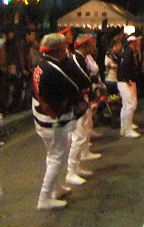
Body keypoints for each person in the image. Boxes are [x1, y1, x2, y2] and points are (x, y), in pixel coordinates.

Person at [32, 33, 85, 210]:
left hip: (43, 118)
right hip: (52, 120)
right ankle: (44, 197)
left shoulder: (42, 65)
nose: (67, 52)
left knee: (53, 154)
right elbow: (76, 87)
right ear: (56, 51)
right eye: (64, 48)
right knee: (57, 158)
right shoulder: (54, 70)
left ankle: (55, 188)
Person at [65, 33, 100, 186]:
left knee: (83, 133)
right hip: (76, 101)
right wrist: (92, 85)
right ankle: (71, 171)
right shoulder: (76, 59)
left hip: (81, 99)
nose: (94, 46)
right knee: (78, 136)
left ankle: (76, 167)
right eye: (92, 43)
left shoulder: (81, 59)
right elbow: (84, 80)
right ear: (84, 45)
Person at [118, 35, 141, 138]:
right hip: (126, 81)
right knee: (130, 105)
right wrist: (127, 79)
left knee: (127, 105)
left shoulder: (129, 50)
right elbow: (125, 66)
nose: (139, 42)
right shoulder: (129, 51)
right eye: (138, 40)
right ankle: (127, 130)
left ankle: (125, 127)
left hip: (125, 80)